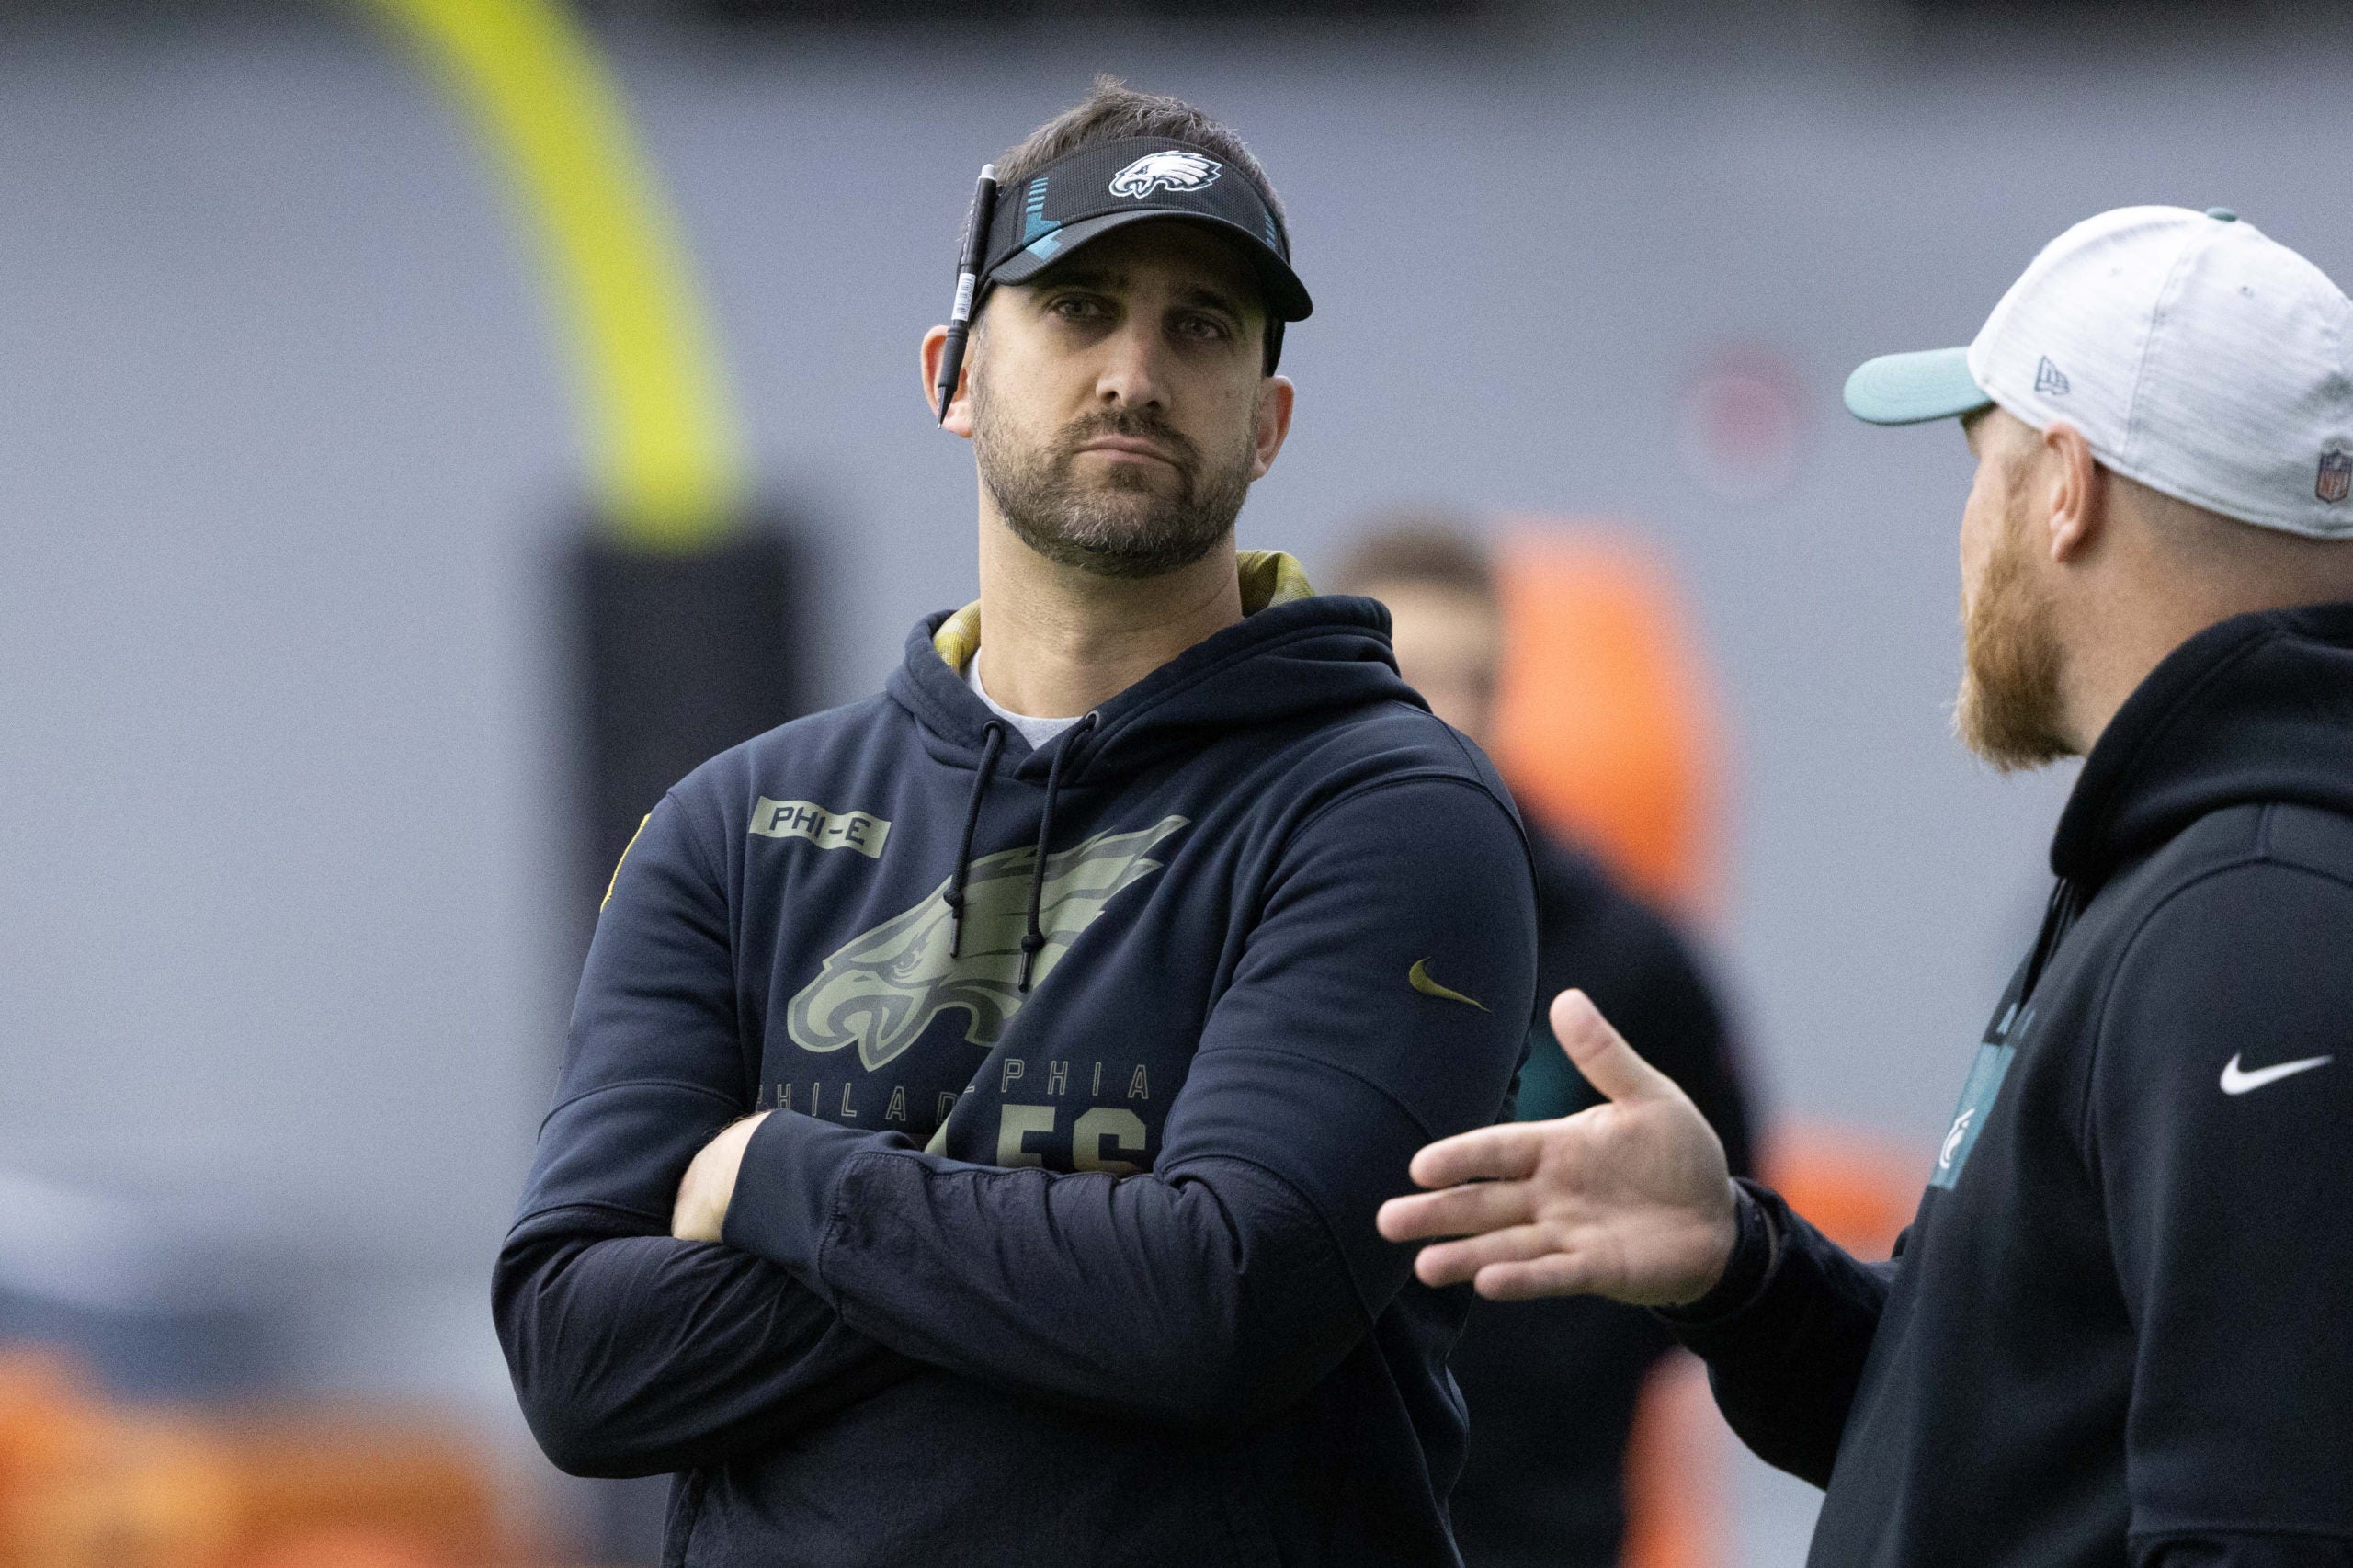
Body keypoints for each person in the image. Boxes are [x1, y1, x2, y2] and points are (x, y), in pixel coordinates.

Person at [495, 80, 1538, 1568]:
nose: (1135, 370)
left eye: (1202, 326)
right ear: (953, 373)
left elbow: (1216, 1305)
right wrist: (1083, 1239)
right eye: (1080, 307)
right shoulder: (734, 829)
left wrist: (783, 1178)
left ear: (1270, 421)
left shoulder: (1388, 812)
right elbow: (579, 1360)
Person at [1380, 204, 2353, 1568]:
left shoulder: (2255, 915)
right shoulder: (2190, 872)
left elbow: (2267, 1530)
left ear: (2065, 487)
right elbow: (1999, 1438)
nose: (1965, 535)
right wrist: (1739, 1266)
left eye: (1983, 470)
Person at [1335, 522, 1756, 1568]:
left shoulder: (1625, 951)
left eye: (1472, 675)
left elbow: (1722, 1210)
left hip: (1541, 1525)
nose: (1442, 706)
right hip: (1300, 1518)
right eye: (1405, 670)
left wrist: (1577, 1367)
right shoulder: (1245, 919)